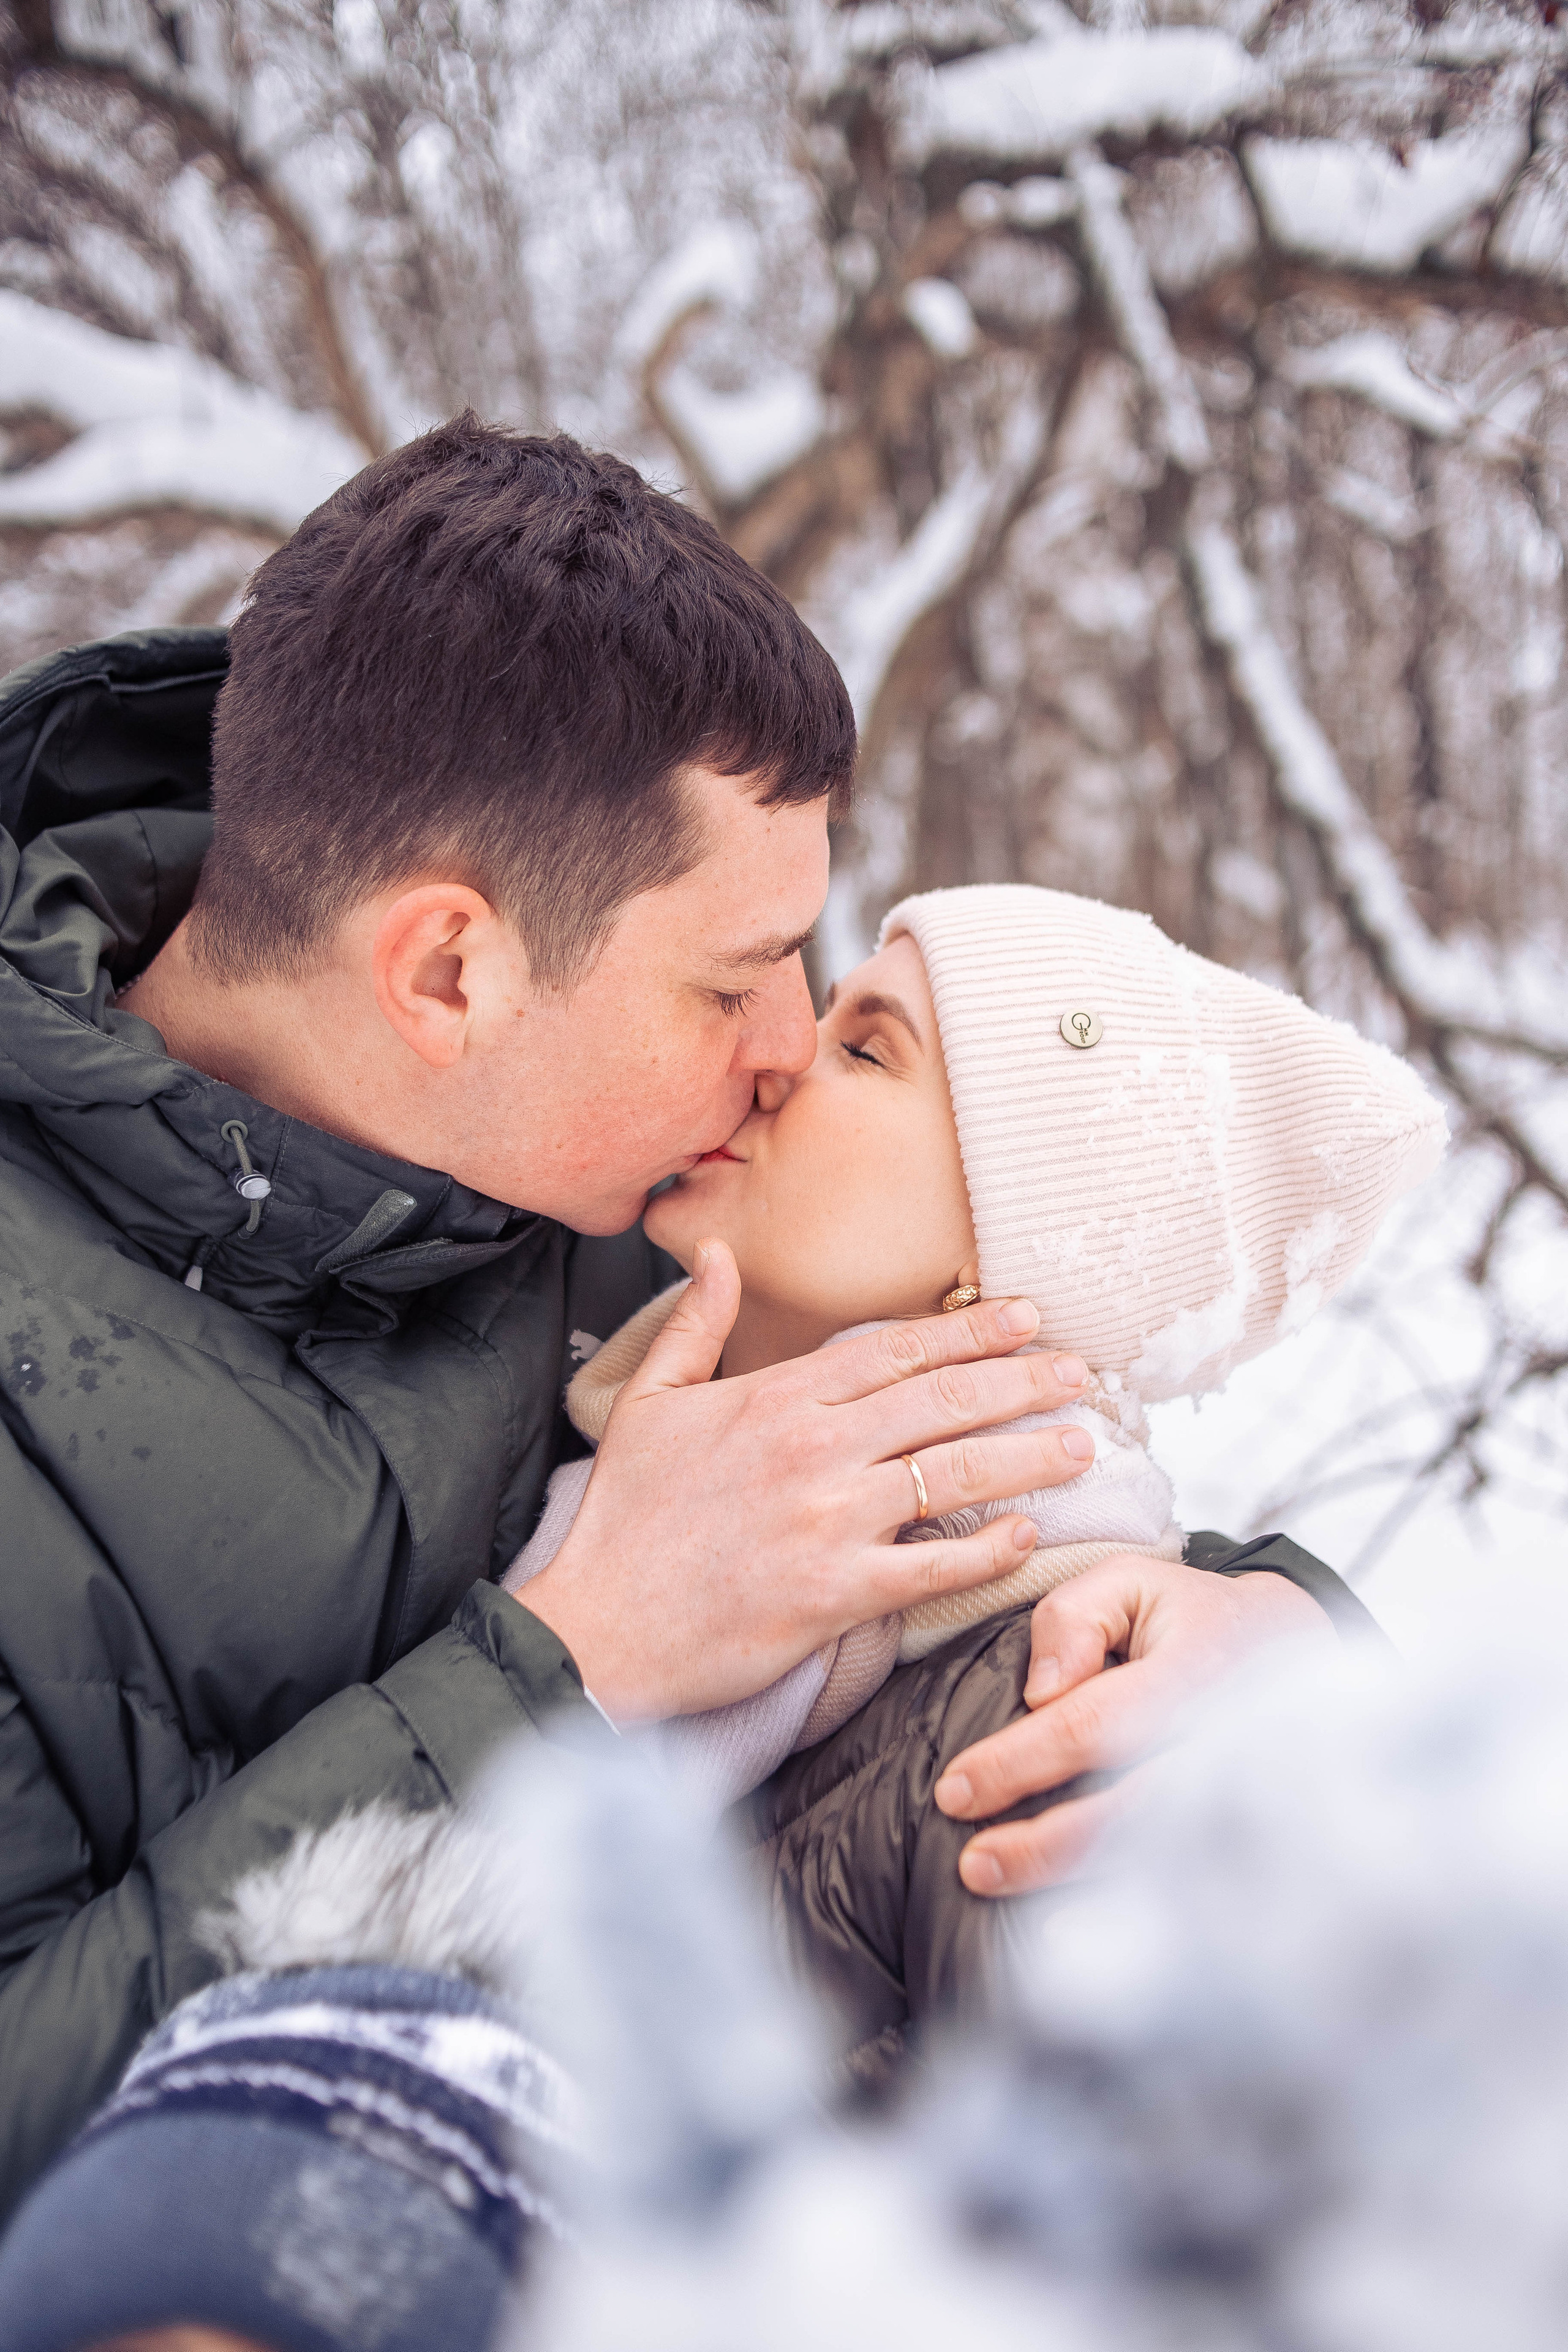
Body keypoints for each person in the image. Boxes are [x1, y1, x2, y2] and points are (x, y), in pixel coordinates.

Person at [0, 412, 1349, 2220]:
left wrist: (1273, 1636)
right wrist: (568, 1662)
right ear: (451, 968)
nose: (789, 1042)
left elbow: (1011, 1525)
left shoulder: (652, 1188)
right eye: (732, 980)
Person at [505, 882, 1437, 2057]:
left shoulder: (1059, 1730)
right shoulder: (601, 1422)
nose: (784, 1053)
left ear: (1001, 1262)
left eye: (866, 1049)